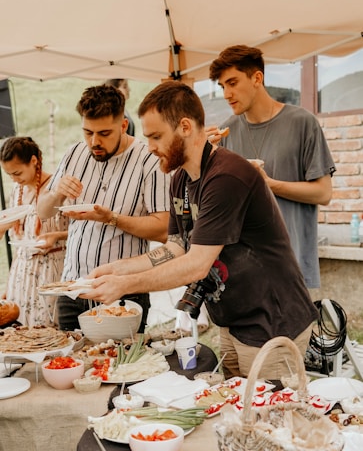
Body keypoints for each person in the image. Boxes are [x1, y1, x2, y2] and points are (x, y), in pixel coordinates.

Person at [79, 80, 318, 380]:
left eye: (156, 137)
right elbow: (176, 247)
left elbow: (196, 264)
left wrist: (126, 286)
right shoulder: (180, 179)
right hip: (234, 318)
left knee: (267, 418)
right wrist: (116, 270)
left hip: (273, 319)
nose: (150, 147)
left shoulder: (227, 176)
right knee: (236, 414)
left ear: (185, 126)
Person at [37, 84, 170, 332]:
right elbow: (43, 212)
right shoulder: (74, 153)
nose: (94, 142)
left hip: (122, 293)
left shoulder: (148, 161)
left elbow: (164, 230)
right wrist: (56, 193)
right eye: (88, 132)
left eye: (104, 133)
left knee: (118, 367)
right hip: (72, 289)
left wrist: (112, 219)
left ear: (123, 125)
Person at [208, 45, 336, 289]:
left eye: (233, 83)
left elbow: (323, 193)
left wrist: (269, 184)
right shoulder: (225, 132)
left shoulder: (303, 123)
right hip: (241, 273)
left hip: (291, 271)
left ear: (257, 78)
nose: (226, 93)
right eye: (222, 86)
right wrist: (204, 159)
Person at [0, 136, 68, 327]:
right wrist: (9, 283)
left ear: (33, 161)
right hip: (21, 273)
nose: (14, 179)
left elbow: (82, 231)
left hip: (50, 271)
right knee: (19, 332)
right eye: (9, 175)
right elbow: (17, 241)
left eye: (17, 173)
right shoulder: (17, 191)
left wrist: (56, 236)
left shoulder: (57, 188)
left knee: (46, 331)